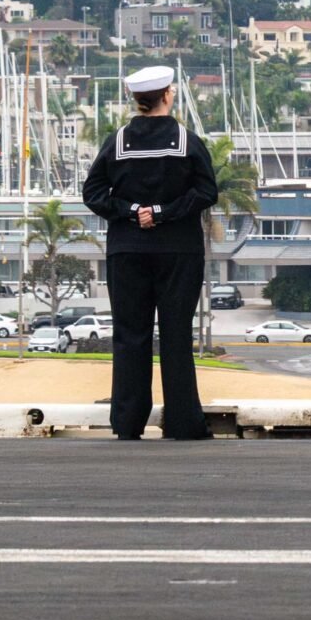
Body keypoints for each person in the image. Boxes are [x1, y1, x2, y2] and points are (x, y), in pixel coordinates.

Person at [82, 65, 218, 440]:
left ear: (137, 100)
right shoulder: (187, 141)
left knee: (130, 335)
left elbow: (92, 192)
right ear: (167, 96)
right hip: (178, 250)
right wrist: (163, 212)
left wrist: (130, 211)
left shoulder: (116, 142)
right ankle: (184, 422)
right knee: (176, 335)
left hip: (127, 250)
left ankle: (127, 422)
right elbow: (207, 192)